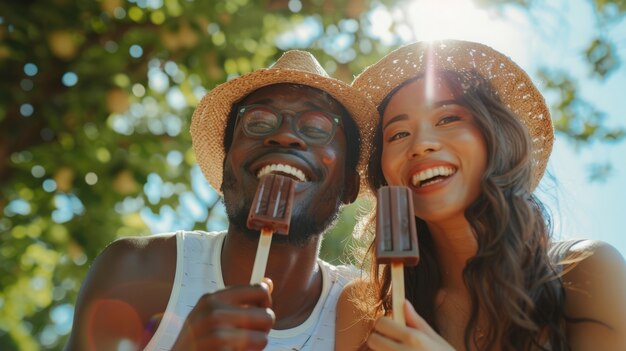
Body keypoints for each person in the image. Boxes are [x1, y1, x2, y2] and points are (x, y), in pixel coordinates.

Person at [64, 50, 378, 350]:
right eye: (258, 122)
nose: (284, 135)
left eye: (315, 128)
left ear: (349, 185)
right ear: (226, 164)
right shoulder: (137, 270)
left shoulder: (367, 312)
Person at [335, 40, 626, 350]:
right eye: (398, 134)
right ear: (384, 173)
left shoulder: (585, 270)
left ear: (494, 140)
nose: (421, 144)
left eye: (447, 119)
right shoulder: (366, 308)